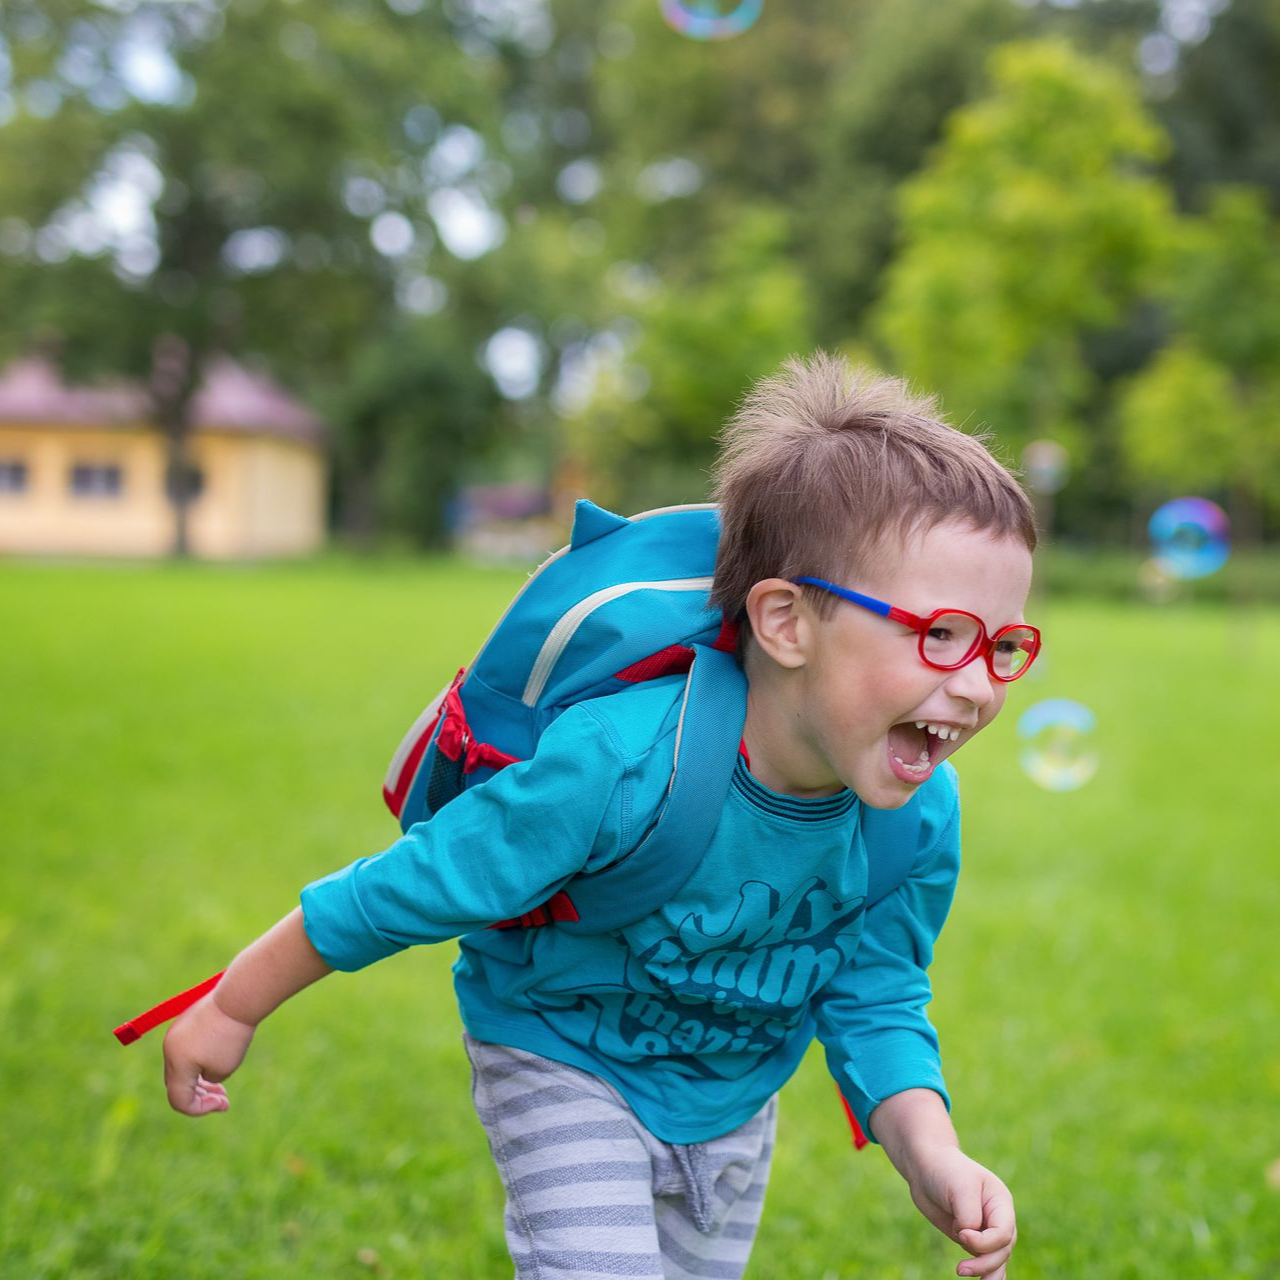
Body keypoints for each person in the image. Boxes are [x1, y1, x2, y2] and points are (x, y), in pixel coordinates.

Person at [163, 353, 1036, 1280]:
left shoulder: (914, 817)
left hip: (735, 1100)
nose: (978, 685)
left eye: (1005, 645)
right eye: (940, 634)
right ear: (784, 623)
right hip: (562, 1054)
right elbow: (415, 883)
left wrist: (932, 1153)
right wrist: (232, 1002)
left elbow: (875, 993)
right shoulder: (619, 761)